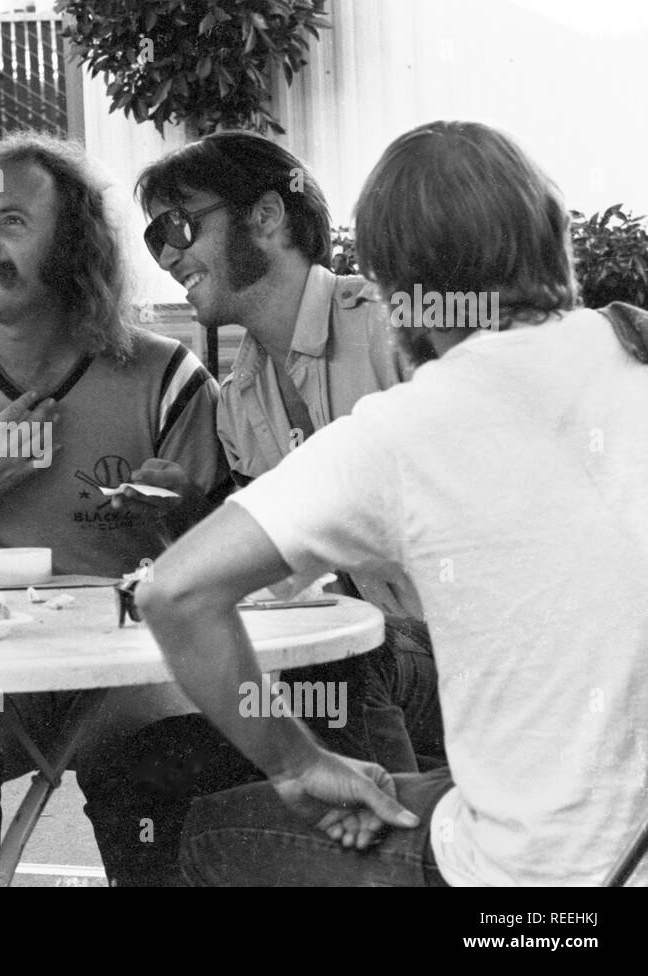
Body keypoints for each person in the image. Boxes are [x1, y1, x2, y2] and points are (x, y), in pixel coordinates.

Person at [138, 120, 648, 885]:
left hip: (530, 880)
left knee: (215, 831)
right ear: (554, 240)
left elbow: (175, 593)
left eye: (180, 227)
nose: (171, 253)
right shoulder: (630, 352)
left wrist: (297, 766)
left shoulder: (410, 415)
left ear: (388, 281)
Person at [0, 132, 231, 884]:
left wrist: (182, 517)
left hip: (129, 675)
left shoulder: (167, 379)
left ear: (74, 246)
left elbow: (234, 569)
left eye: (12, 222)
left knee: (160, 772)